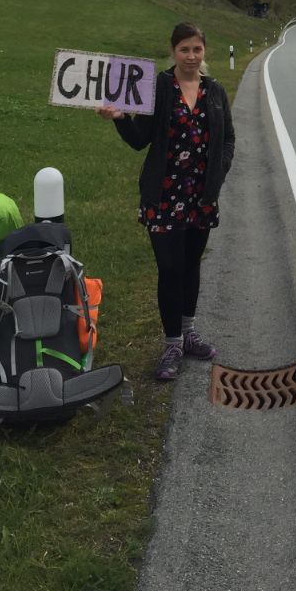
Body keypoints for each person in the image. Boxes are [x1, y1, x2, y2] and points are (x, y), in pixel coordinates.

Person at [97, 22, 235, 380]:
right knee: (170, 269)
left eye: (197, 50)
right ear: (173, 51)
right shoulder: (157, 87)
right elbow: (139, 139)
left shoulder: (215, 92)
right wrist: (120, 118)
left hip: (201, 199)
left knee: (191, 267)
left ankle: (189, 334)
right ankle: (172, 343)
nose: (191, 56)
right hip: (164, 196)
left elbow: (228, 141)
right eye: (184, 49)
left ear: (205, 52)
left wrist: (217, 175)